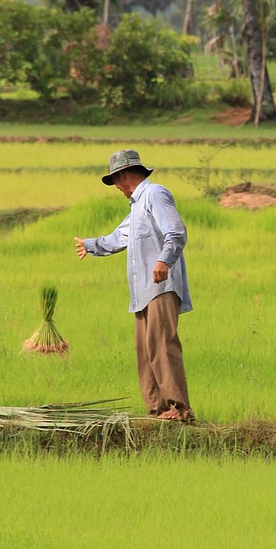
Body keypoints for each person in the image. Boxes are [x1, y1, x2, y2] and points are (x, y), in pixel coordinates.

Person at [74, 149, 194, 423]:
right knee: (145, 349)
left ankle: (180, 410)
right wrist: (91, 246)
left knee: (163, 345)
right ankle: (159, 410)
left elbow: (176, 232)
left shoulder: (155, 194)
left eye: (115, 180)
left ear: (123, 175)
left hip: (160, 286)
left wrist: (164, 260)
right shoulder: (137, 206)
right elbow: (120, 236)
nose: (116, 187)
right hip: (142, 293)